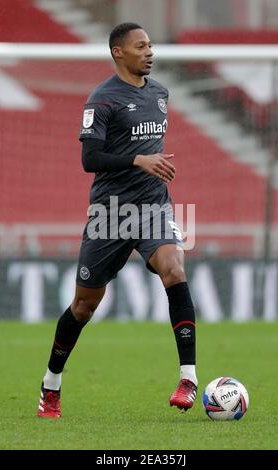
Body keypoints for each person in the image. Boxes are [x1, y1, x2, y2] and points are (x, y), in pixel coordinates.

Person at [38, 22, 197, 418]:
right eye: (140, 46)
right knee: (82, 307)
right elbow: (89, 160)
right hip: (110, 215)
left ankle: (188, 378)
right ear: (118, 53)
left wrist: (150, 166)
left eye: (150, 45)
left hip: (153, 207)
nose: (150, 52)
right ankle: (51, 384)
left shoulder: (160, 93)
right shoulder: (101, 101)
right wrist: (137, 160)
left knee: (174, 269)